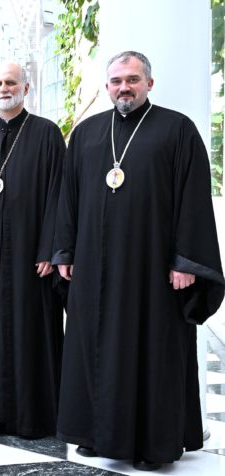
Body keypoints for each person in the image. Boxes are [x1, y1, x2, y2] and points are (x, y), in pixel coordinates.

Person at [52, 51, 225, 471]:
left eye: (132, 79)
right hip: (94, 270)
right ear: (107, 86)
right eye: (115, 81)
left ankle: (153, 443)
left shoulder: (177, 130)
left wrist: (185, 261)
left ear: (149, 83)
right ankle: (96, 434)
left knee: (152, 351)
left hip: (153, 272)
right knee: (94, 350)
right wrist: (64, 251)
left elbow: (193, 200)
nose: (123, 88)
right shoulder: (88, 133)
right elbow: (67, 199)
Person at [0, 64, 65, 438]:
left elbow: (59, 195)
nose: (4, 88)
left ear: (26, 88)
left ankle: (33, 416)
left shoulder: (47, 135)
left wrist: (50, 248)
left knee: (30, 329)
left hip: (31, 259)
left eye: (11, 83)